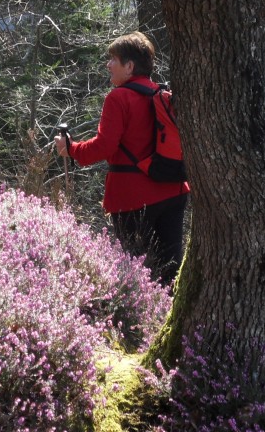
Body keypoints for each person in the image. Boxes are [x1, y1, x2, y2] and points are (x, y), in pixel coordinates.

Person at [55, 31, 188, 286]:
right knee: (170, 270)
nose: (108, 65)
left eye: (113, 59)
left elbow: (104, 147)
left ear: (129, 66)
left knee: (138, 273)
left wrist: (70, 149)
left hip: (133, 199)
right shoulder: (163, 94)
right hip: (174, 191)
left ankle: (144, 323)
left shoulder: (118, 97)